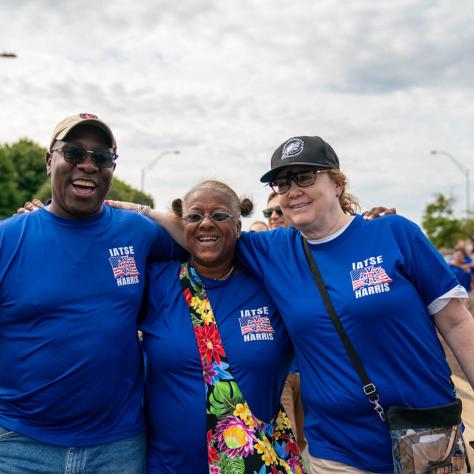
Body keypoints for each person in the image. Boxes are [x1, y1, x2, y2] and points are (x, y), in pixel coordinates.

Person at [235, 135, 474, 473]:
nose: (293, 190)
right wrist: (136, 210)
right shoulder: (272, 251)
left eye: (304, 177)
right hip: (337, 451)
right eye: (282, 182)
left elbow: (456, 322)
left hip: (428, 438)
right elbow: (200, 233)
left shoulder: (394, 233)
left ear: (337, 183)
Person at [0, 113, 184, 473]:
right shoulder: (8, 238)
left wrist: (142, 209)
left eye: (102, 158)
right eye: (73, 153)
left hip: (117, 447)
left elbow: (205, 241)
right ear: (49, 161)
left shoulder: (138, 232)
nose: (88, 165)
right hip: (20, 445)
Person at [138, 180, 303, 473]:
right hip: (168, 466)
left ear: (239, 227)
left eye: (219, 216)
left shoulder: (271, 286)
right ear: (182, 225)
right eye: (194, 216)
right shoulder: (157, 282)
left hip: (257, 464)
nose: (206, 224)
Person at [264, 192, 308, 453]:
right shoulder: (260, 256)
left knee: (302, 442)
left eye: (278, 211)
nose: (273, 217)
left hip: (311, 372)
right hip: (280, 373)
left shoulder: (313, 255)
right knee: (287, 442)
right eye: (268, 212)